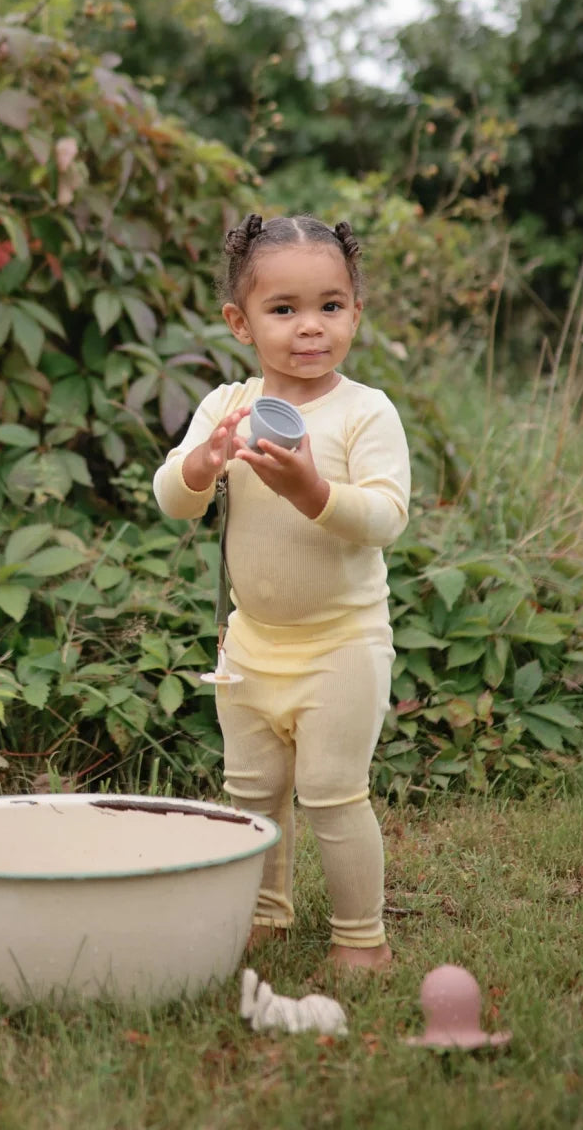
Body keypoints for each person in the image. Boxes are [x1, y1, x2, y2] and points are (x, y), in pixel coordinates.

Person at [152, 212, 411, 973]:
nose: (310, 328)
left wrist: (312, 490)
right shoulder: (227, 408)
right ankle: (266, 912)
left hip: (342, 643)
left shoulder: (365, 412)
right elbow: (175, 498)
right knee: (252, 793)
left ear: (356, 314)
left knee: (333, 795)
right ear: (240, 322)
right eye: (283, 309)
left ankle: (362, 940)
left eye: (331, 306)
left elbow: (385, 517)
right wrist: (204, 462)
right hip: (252, 642)